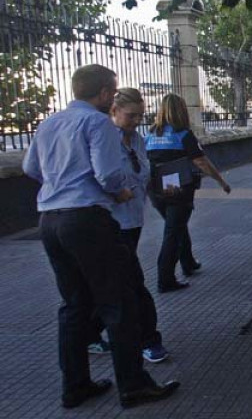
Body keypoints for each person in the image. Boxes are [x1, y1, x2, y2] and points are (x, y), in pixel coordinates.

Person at [22, 64, 179, 409]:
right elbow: (108, 174)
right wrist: (119, 193)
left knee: (74, 306)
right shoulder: (97, 124)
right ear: (107, 93)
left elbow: (30, 169)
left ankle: (75, 386)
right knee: (117, 301)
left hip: (50, 219)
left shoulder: (49, 123)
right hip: (88, 219)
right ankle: (133, 384)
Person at [86, 88, 170, 363]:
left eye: (140, 116)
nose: (136, 121)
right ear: (114, 111)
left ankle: (90, 331)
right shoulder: (102, 139)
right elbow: (101, 176)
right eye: (131, 115)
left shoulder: (137, 140)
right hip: (111, 221)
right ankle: (148, 339)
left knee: (115, 280)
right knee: (133, 282)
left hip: (133, 219)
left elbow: (143, 173)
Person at [146, 93, 231, 292]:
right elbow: (201, 161)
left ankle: (188, 261)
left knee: (176, 224)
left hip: (155, 189)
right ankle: (165, 279)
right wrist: (221, 181)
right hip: (177, 188)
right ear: (181, 111)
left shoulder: (150, 134)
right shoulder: (183, 134)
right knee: (173, 232)